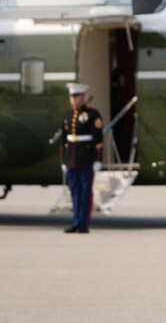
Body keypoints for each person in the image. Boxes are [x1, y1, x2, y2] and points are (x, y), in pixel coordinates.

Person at [60, 83, 104, 234]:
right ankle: (76, 222)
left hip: (86, 159)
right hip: (71, 159)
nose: (73, 99)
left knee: (85, 192)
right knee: (74, 191)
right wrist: (64, 161)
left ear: (84, 97)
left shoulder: (92, 114)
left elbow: (98, 139)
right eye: (72, 96)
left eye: (76, 96)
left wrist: (98, 159)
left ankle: (84, 224)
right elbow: (64, 140)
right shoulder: (67, 114)